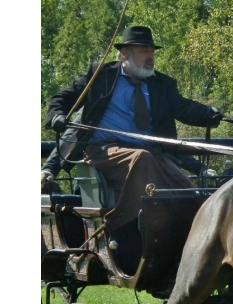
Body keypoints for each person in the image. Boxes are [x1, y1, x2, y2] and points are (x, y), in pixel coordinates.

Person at [45, 26, 223, 273]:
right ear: (124, 55)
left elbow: (183, 108)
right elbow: (61, 99)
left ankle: (186, 242)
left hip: (152, 154)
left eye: (152, 51)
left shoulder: (161, 85)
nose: (150, 56)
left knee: (189, 191)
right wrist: (57, 116)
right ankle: (123, 226)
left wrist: (208, 114)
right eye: (143, 51)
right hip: (102, 152)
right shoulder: (102, 77)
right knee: (143, 159)